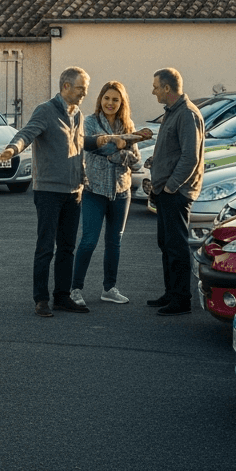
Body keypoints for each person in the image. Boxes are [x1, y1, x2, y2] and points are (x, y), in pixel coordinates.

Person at [0, 67, 90, 317]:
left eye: (85, 88)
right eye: (81, 87)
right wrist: (11, 150)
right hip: (49, 191)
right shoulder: (45, 110)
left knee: (67, 248)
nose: (85, 92)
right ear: (66, 86)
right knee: (46, 246)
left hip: (74, 192)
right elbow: (26, 134)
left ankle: (62, 296)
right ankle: (41, 299)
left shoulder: (78, 114)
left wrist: (83, 177)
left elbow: (79, 147)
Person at [137, 67, 205, 317]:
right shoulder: (172, 113)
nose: (153, 91)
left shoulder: (187, 114)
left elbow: (190, 156)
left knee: (176, 246)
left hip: (176, 192)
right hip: (165, 191)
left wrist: (170, 186)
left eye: (156, 86)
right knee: (166, 243)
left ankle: (181, 299)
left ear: (167, 88)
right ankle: (171, 293)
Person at [70, 81, 142, 309]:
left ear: (122, 103)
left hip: (121, 192)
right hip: (95, 190)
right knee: (89, 241)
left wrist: (120, 149)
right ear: (100, 99)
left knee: (114, 242)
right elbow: (97, 149)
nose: (110, 103)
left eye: (115, 99)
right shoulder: (90, 123)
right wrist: (121, 148)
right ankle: (75, 289)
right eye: (107, 98)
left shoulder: (127, 124)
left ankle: (109, 288)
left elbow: (137, 161)